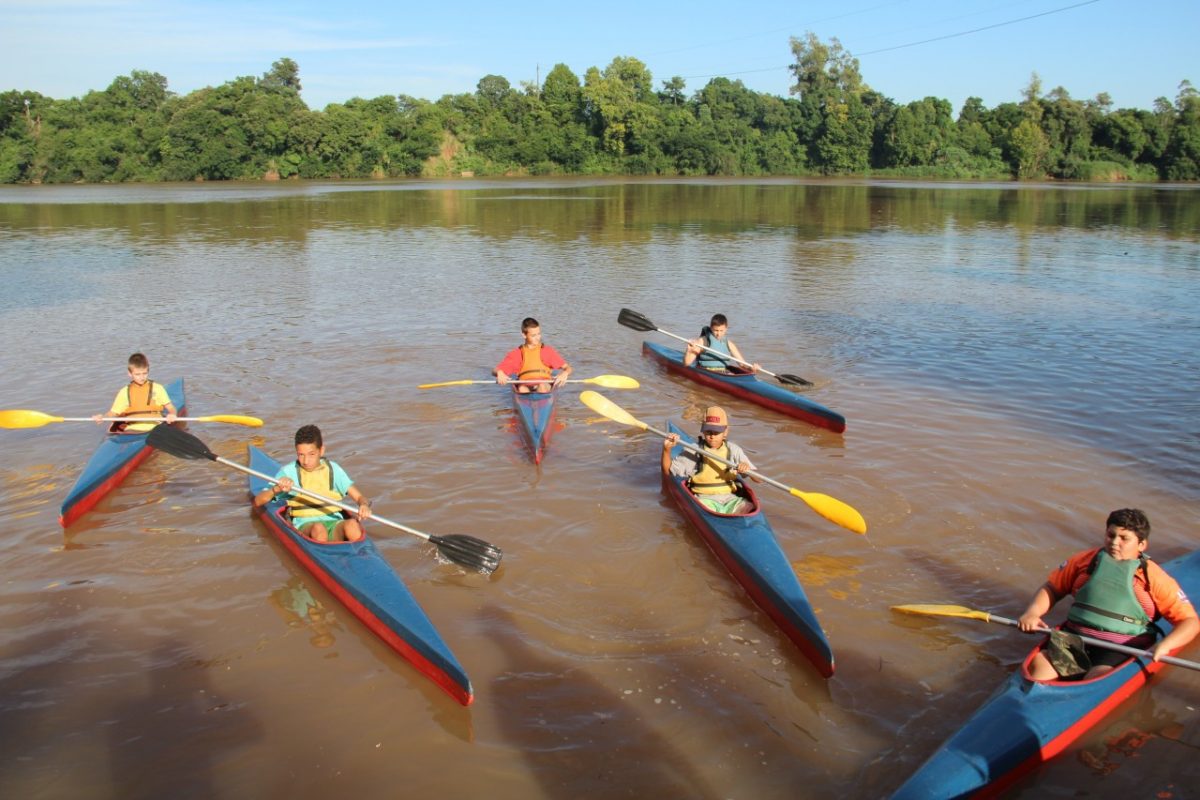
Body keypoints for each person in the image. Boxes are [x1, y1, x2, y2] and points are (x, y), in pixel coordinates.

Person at [1018, 508, 1198, 681]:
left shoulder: (1154, 577)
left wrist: (1165, 646)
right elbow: (1052, 588)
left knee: (1096, 677)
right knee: (1038, 669)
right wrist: (1032, 613)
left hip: (1119, 648)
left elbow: (1190, 622)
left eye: (1124, 538)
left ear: (1141, 544)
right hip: (1073, 638)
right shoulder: (1083, 561)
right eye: (1110, 535)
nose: (1114, 542)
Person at [252, 424, 372, 543]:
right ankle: (326, 557)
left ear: (321, 451)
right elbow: (258, 501)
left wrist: (364, 505)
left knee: (352, 525)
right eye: (301, 455)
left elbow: (360, 498)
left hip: (334, 523)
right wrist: (276, 489)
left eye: (311, 454)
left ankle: (362, 557)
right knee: (319, 529)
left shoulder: (333, 469)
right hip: (306, 525)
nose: (305, 461)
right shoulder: (288, 472)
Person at [661, 406, 762, 514]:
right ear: (703, 431)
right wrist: (667, 449)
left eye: (716, 432)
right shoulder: (694, 449)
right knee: (707, 508)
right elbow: (667, 471)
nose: (712, 436)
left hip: (731, 499)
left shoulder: (734, 450)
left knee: (750, 507)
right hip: (705, 500)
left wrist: (748, 470)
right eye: (708, 432)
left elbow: (759, 479)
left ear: (725, 432)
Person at [92, 352, 178, 432]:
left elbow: (171, 408)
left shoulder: (157, 388)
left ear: (148, 371)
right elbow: (113, 413)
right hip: (132, 430)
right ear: (130, 373)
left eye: (145, 373)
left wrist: (172, 414)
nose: (142, 377)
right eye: (137, 374)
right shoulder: (124, 392)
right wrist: (103, 417)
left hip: (155, 428)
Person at [494, 317, 572, 393]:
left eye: (539, 334)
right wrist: (499, 373)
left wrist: (564, 373)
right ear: (524, 335)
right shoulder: (517, 354)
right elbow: (495, 370)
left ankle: (540, 402)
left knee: (541, 386)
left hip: (544, 384)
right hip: (525, 385)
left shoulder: (547, 351)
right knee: (521, 389)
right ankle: (527, 403)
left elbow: (568, 368)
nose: (538, 338)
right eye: (533, 335)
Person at [683, 314, 760, 373]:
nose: (718, 334)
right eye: (716, 330)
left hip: (724, 372)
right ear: (711, 328)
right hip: (708, 372)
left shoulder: (729, 344)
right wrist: (689, 351)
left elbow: (742, 364)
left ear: (726, 329)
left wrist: (751, 368)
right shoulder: (702, 341)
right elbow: (686, 364)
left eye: (721, 331)